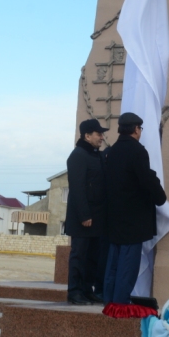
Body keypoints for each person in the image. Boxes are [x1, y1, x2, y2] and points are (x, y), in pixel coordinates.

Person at [103, 112, 167, 317]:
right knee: (127, 266)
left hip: (114, 216)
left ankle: (109, 300)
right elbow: (144, 179)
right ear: (136, 129)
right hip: (133, 218)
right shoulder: (138, 151)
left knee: (113, 263)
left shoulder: (111, 151)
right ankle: (120, 304)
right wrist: (160, 196)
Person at [65, 118, 110, 305]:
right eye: (98, 134)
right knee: (79, 256)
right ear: (87, 135)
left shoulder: (96, 155)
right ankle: (74, 292)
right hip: (83, 219)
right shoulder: (78, 156)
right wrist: (84, 215)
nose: (102, 137)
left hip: (97, 217)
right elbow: (77, 189)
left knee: (93, 257)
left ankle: (87, 289)